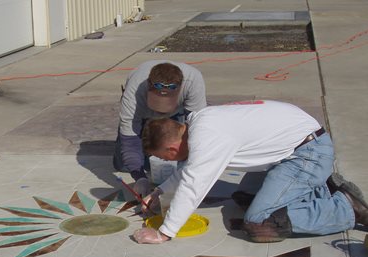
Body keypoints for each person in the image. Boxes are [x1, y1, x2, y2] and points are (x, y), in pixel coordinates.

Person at [132, 100, 368, 244]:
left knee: (259, 222)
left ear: (172, 148)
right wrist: (160, 191)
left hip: (307, 155)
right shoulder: (200, 122)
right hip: (298, 147)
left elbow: (194, 184)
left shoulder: (207, 139)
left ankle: (345, 208)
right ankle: (321, 188)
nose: (165, 161)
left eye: (164, 157)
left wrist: (165, 232)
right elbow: (191, 172)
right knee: (245, 195)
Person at [113, 60, 206, 196]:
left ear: (180, 90)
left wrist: (187, 169)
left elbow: (197, 129)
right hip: (142, 115)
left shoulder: (193, 81)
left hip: (176, 114)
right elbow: (129, 139)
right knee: (127, 165)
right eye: (157, 104)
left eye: (164, 107)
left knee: (177, 156)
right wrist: (139, 177)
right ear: (149, 88)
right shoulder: (134, 90)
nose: (159, 114)